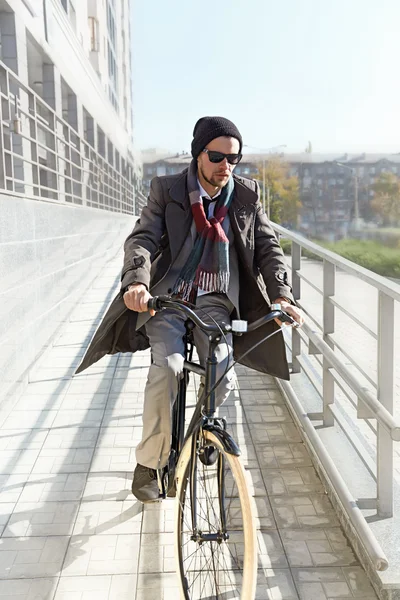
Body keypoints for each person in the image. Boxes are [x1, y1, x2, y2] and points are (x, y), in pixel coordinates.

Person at [75, 116, 304, 503]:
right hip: (169, 298)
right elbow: (143, 236)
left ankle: (205, 431)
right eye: (216, 156)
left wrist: (282, 294)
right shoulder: (167, 189)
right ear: (199, 153)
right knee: (169, 367)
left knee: (223, 372)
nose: (225, 166)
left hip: (217, 300)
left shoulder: (246, 194)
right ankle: (150, 462)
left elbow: (268, 247)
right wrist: (136, 282)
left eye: (234, 158)